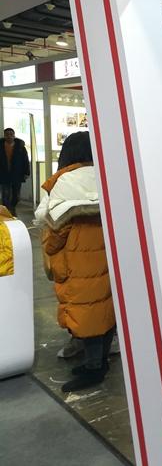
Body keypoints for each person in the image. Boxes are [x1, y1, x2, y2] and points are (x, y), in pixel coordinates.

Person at [35, 131, 116, 392]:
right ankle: (101, 361)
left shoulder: (63, 181)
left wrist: (49, 245)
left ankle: (94, 368)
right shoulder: (108, 175)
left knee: (86, 312)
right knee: (104, 308)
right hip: (107, 257)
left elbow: (52, 227)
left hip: (78, 262)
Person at [0, 128, 30, 215]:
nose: (9, 136)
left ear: (14, 135)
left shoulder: (20, 147)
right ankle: (7, 212)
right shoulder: (0, 146)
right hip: (3, 174)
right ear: (5, 136)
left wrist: (27, 172)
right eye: (7, 134)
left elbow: (25, 160)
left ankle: (12, 208)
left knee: (16, 195)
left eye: (11, 134)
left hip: (16, 174)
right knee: (5, 195)